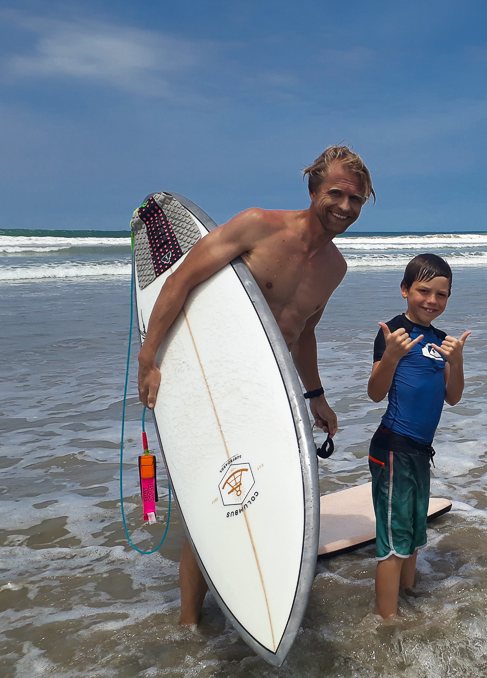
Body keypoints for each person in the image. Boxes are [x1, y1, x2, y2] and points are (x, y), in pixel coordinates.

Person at [136, 145, 374, 625]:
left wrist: (316, 396)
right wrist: (149, 358)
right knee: (208, 501)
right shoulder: (257, 226)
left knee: (257, 493)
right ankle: (189, 622)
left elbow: (304, 331)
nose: (345, 208)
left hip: (269, 394)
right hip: (217, 386)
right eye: (336, 194)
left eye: (356, 200)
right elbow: (179, 282)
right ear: (312, 190)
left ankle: (256, 597)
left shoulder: (336, 269)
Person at [366, 254, 471, 620]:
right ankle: (387, 622)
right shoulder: (393, 333)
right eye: (423, 291)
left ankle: (408, 597)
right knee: (394, 542)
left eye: (441, 295)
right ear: (405, 290)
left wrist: (456, 362)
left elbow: (453, 397)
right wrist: (391, 357)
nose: (432, 300)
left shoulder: (441, 341)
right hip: (392, 448)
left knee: (412, 534)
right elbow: (375, 393)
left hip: (419, 452)